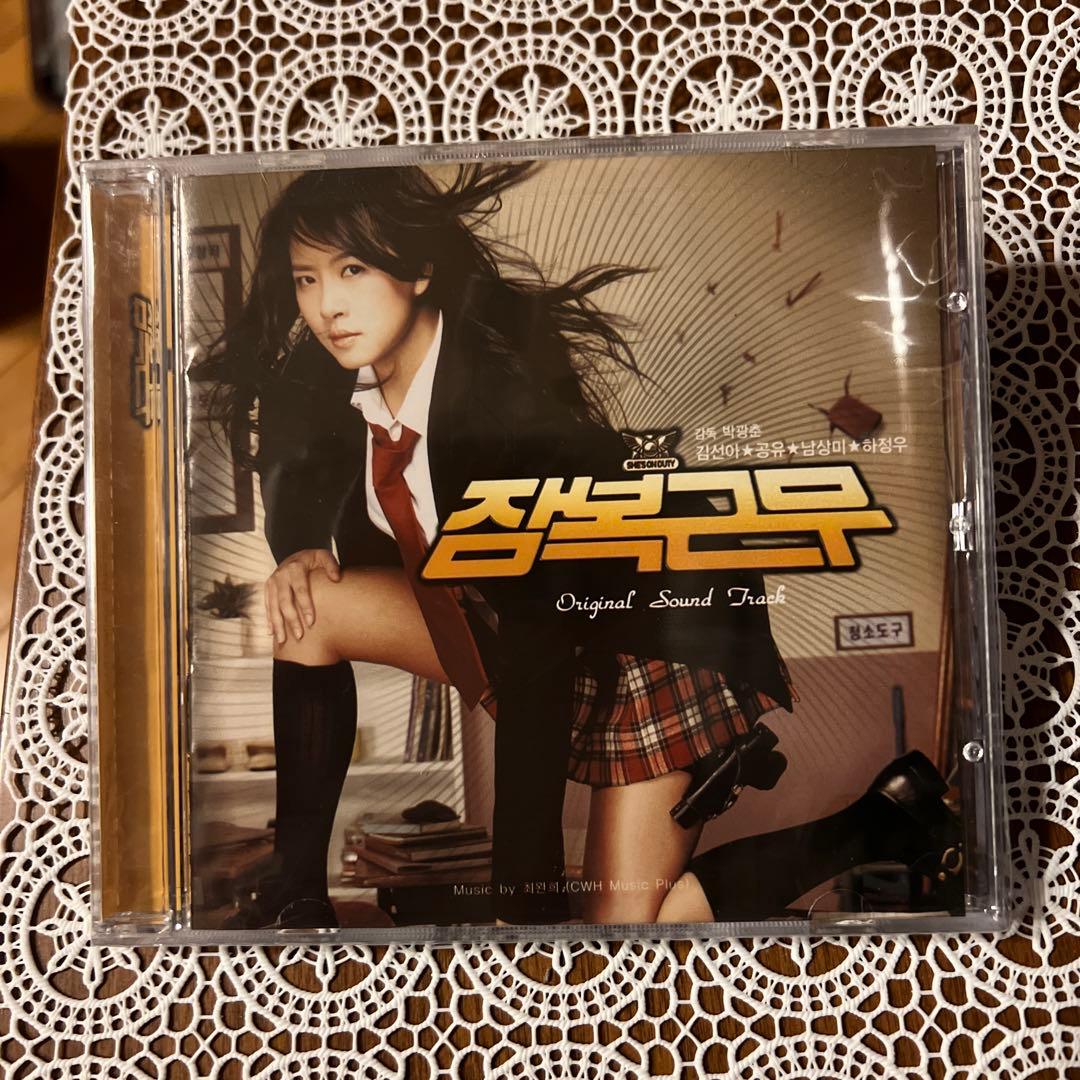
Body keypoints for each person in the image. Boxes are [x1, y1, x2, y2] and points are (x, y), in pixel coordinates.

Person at [200, 162, 794, 929]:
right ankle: (298, 896)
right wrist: (300, 544)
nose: (326, 306)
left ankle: (875, 824)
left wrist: (523, 899)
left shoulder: (503, 409)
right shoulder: (327, 368)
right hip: (511, 620)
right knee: (307, 603)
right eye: (306, 279)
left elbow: (538, 657)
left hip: (651, 637)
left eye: (351, 270)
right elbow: (286, 443)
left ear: (418, 269)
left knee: (625, 930)